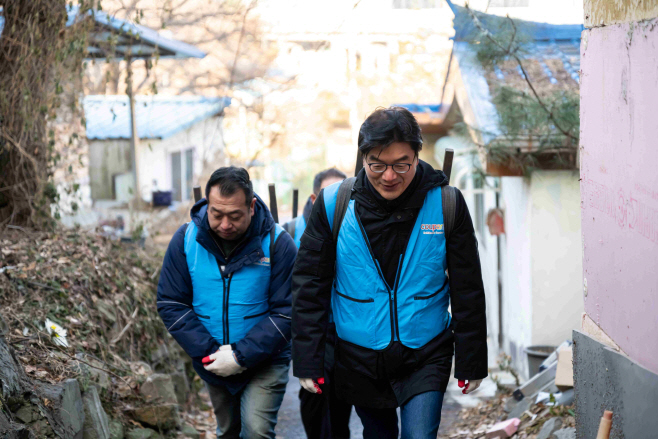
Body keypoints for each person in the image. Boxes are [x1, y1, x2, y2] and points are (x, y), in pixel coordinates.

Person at [291, 107, 488, 439]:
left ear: (416, 156)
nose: (389, 176)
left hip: (426, 352)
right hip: (358, 355)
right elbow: (310, 285)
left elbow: (467, 287)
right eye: (377, 165)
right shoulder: (333, 205)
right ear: (363, 158)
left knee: (419, 434)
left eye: (402, 164)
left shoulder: (446, 204)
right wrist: (308, 359)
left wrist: (472, 360)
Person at [157, 167, 297, 439]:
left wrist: (239, 356)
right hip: (212, 362)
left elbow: (288, 311)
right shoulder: (185, 240)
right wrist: (212, 354)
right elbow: (171, 302)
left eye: (235, 216)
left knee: (256, 431)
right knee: (228, 431)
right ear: (207, 205)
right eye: (216, 214)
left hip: (267, 360)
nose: (224, 225)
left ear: (252, 206)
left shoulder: (278, 244)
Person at [283, 168, 353, 439]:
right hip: (312, 328)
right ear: (314, 198)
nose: (336, 201)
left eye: (342, 193)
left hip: (346, 327)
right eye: (329, 194)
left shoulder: (354, 228)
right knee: (312, 394)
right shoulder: (291, 232)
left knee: (340, 400)